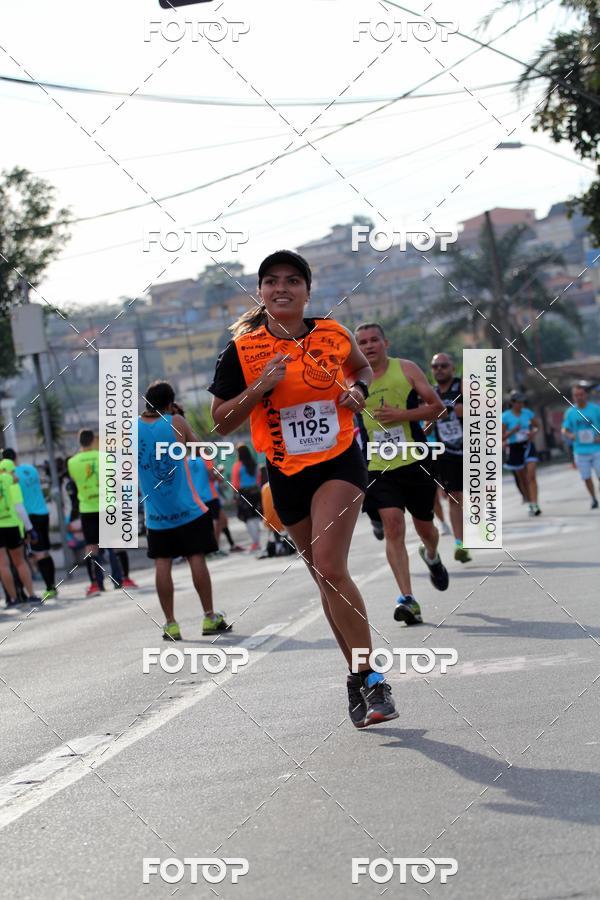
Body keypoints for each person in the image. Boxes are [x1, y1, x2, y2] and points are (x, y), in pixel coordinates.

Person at [209, 249, 398, 728]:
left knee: (332, 567)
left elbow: (361, 369)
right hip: (284, 474)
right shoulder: (242, 351)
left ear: (307, 291)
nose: (282, 288)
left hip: (338, 460)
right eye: (271, 281)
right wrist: (259, 388)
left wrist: (358, 392)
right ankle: (356, 680)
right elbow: (221, 423)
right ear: (261, 292)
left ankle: (373, 680)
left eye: (293, 281)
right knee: (322, 576)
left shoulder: (332, 333)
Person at [355, 322, 449, 627]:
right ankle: (408, 599)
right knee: (393, 525)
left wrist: (402, 416)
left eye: (373, 340)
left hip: (415, 462)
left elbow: (437, 409)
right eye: (362, 342)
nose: (368, 346)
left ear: (386, 343)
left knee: (426, 529)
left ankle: (431, 555)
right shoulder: (350, 381)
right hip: (378, 467)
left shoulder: (406, 369)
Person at [138, 381, 229, 640]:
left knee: (162, 563)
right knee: (196, 557)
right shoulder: (176, 423)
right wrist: (177, 419)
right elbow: (200, 451)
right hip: (188, 508)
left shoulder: (131, 428)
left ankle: (170, 624)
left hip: (156, 513)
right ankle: (210, 617)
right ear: (170, 403)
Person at [428, 353, 471, 563]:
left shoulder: (462, 385)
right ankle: (459, 544)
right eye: (435, 366)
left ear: (452, 367)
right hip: (447, 454)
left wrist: (452, 408)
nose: (439, 370)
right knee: (454, 497)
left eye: (443, 365)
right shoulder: (432, 393)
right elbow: (427, 426)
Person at [1, 449, 58, 598]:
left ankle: (21, 594)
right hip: (42, 512)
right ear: (16, 457)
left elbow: (17, 504)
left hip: (28, 517)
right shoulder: (31, 470)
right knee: (44, 551)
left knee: (26, 556)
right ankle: (51, 585)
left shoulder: (9, 478)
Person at [0, 465, 41, 606]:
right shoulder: (9, 479)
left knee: (2, 565)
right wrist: (29, 528)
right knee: (20, 561)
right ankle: (31, 595)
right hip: (11, 524)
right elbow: (19, 508)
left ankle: (13, 599)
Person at [502, 391, 541, 516]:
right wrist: (512, 431)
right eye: (518, 402)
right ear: (512, 403)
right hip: (514, 448)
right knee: (522, 478)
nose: (520, 404)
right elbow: (501, 436)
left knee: (531, 476)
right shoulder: (505, 416)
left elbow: (536, 426)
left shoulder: (527, 413)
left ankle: (535, 503)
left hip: (528, 444)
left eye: (522, 402)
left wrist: (533, 432)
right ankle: (529, 501)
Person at [561, 382, 600, 509]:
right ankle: (593, 498)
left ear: (585, 395)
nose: (579, 397)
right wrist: (570, 435)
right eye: (576, 395)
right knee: (586, 477)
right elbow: (564, 429)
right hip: (580, 450)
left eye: (581, 394)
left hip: (596, 449)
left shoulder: (595, 409)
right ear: (573, 397)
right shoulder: (570, 412)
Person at [231, 444, 263, 552]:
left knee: (248, 518)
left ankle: (255, 543)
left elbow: (235, 483)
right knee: (256, 517)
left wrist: (234, 496)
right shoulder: (254, 464)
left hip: (244, 494)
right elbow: (259, 479)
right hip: (256, 492)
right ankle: (257, 542)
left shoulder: (237, 466)